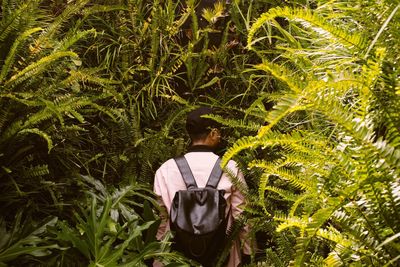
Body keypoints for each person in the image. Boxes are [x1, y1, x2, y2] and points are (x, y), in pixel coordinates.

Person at [153, 106, 252, 266]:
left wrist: (157, 255)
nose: (220, 136)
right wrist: (249, 252)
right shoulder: (230, 168)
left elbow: (161, 219)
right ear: (213, 133)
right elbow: (242, 216)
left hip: (175, 258)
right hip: (222, 258)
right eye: (219, 132)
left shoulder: (166, 169)